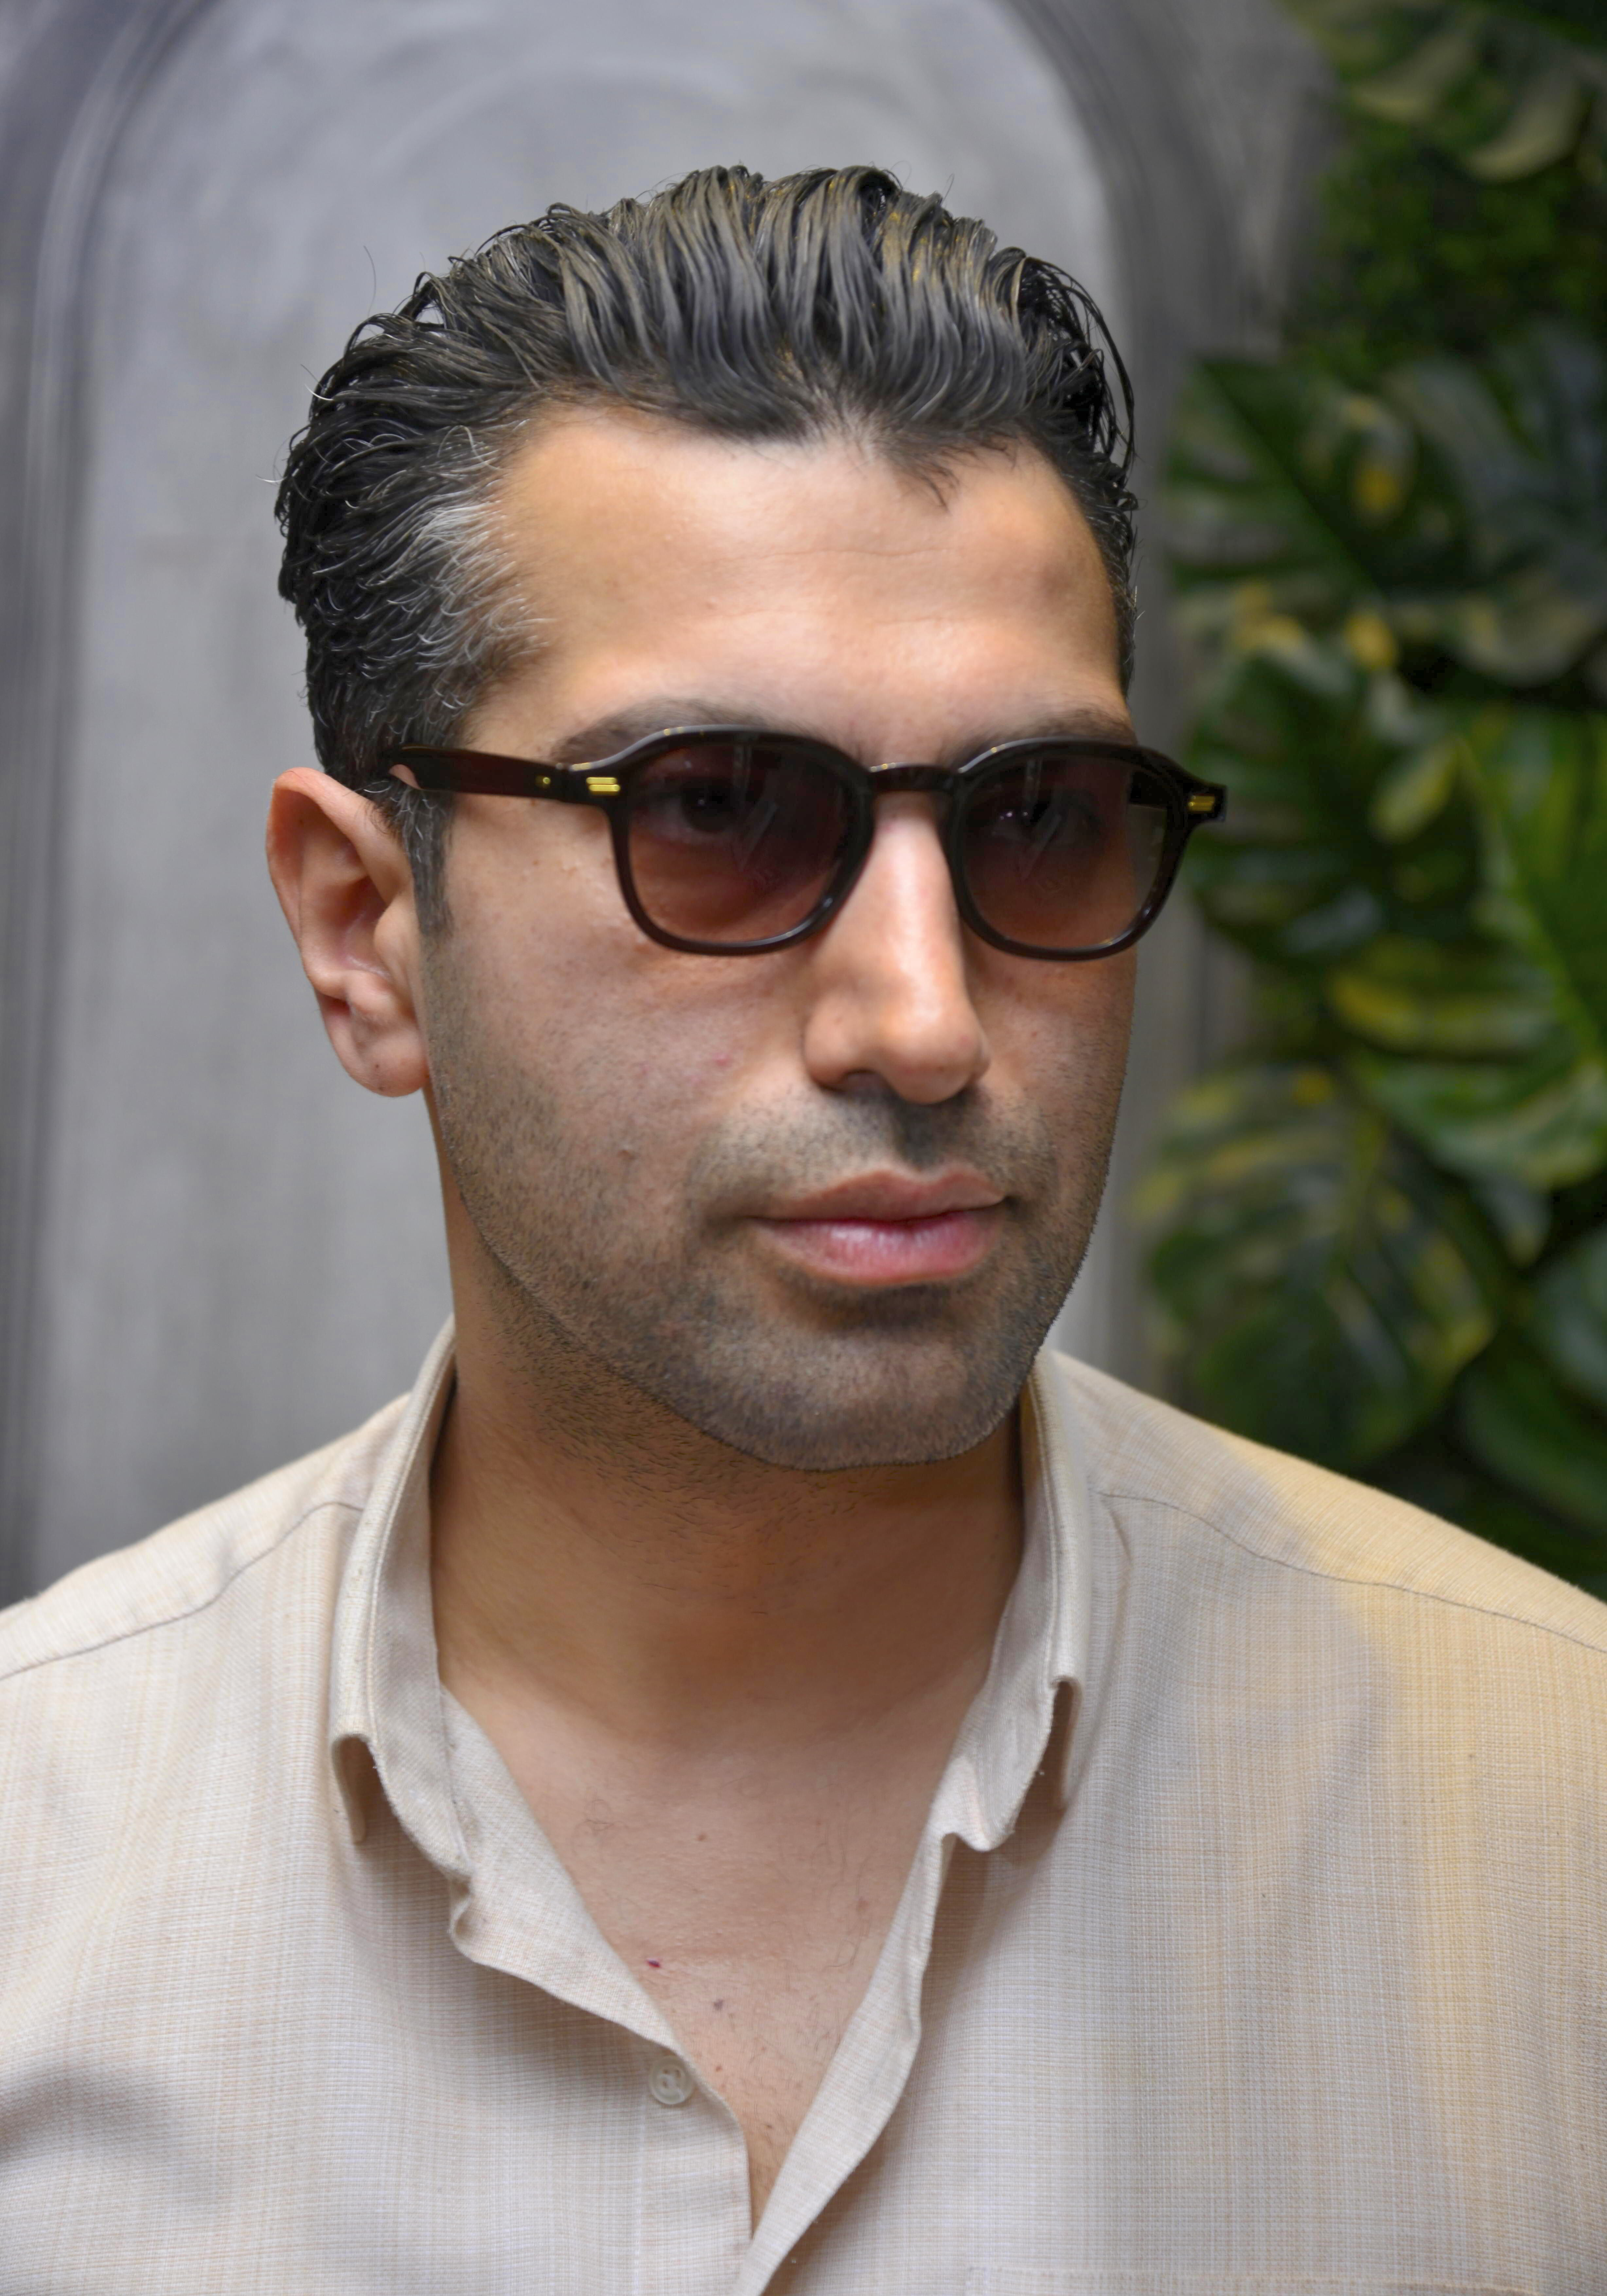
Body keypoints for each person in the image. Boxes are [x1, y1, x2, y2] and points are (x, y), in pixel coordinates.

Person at [0, 165, 1602, 2294]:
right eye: (718, 813)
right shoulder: (41, 1871)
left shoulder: (1558, 1830)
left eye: (1038, 820)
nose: (926, 1020)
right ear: (368, 929)